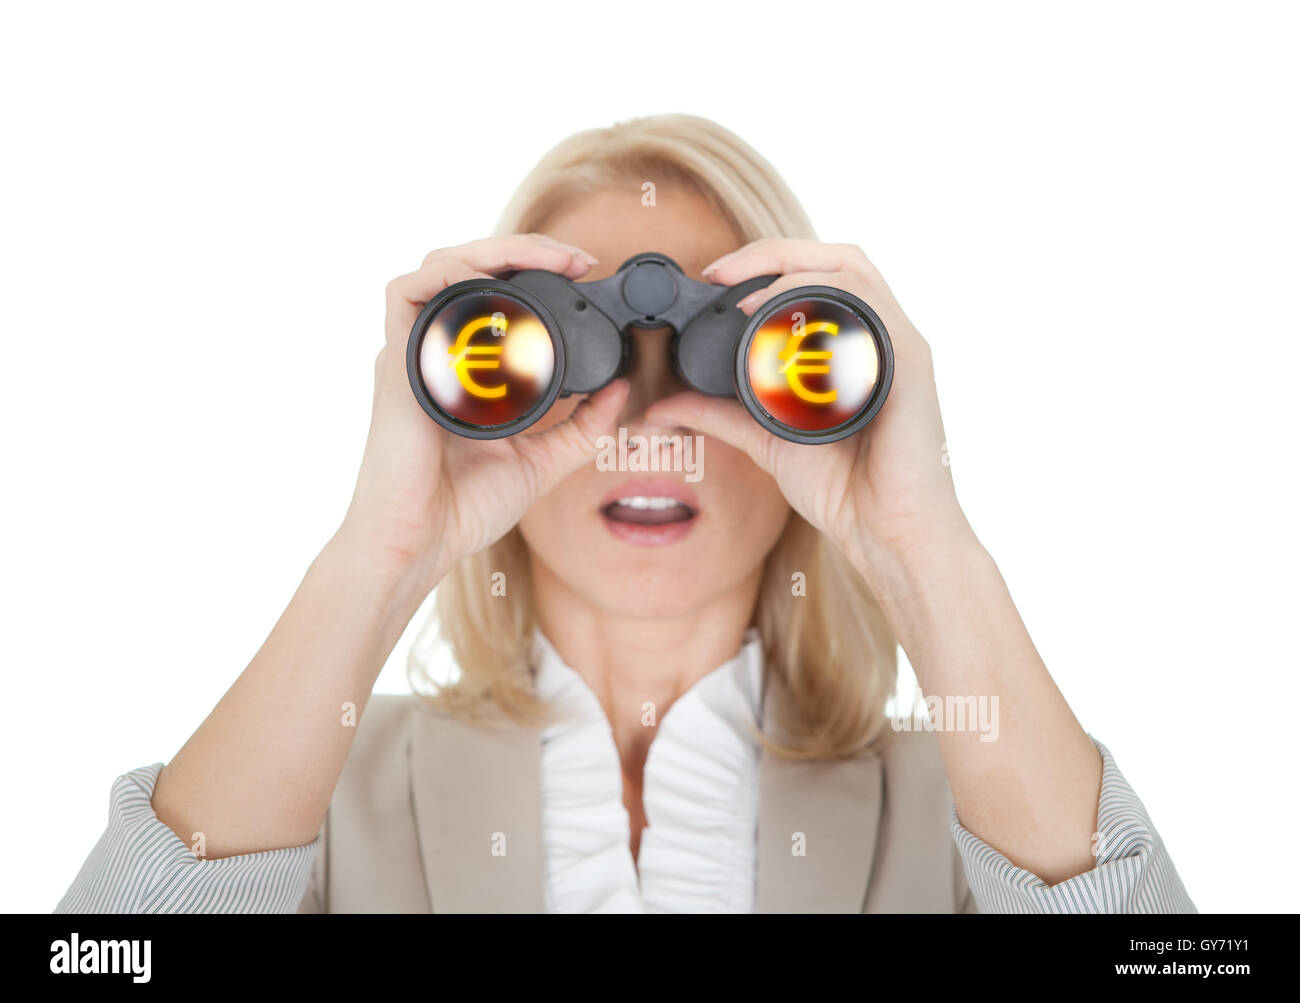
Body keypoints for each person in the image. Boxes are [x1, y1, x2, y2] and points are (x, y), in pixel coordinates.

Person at [57, 114, 1194, 913]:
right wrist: (382, 549)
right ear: (481, 391)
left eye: (720, 360)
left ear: (810, 402)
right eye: (572, 358)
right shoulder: (312, 791)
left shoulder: (980, 806)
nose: (648, 414)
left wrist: (922, 546)